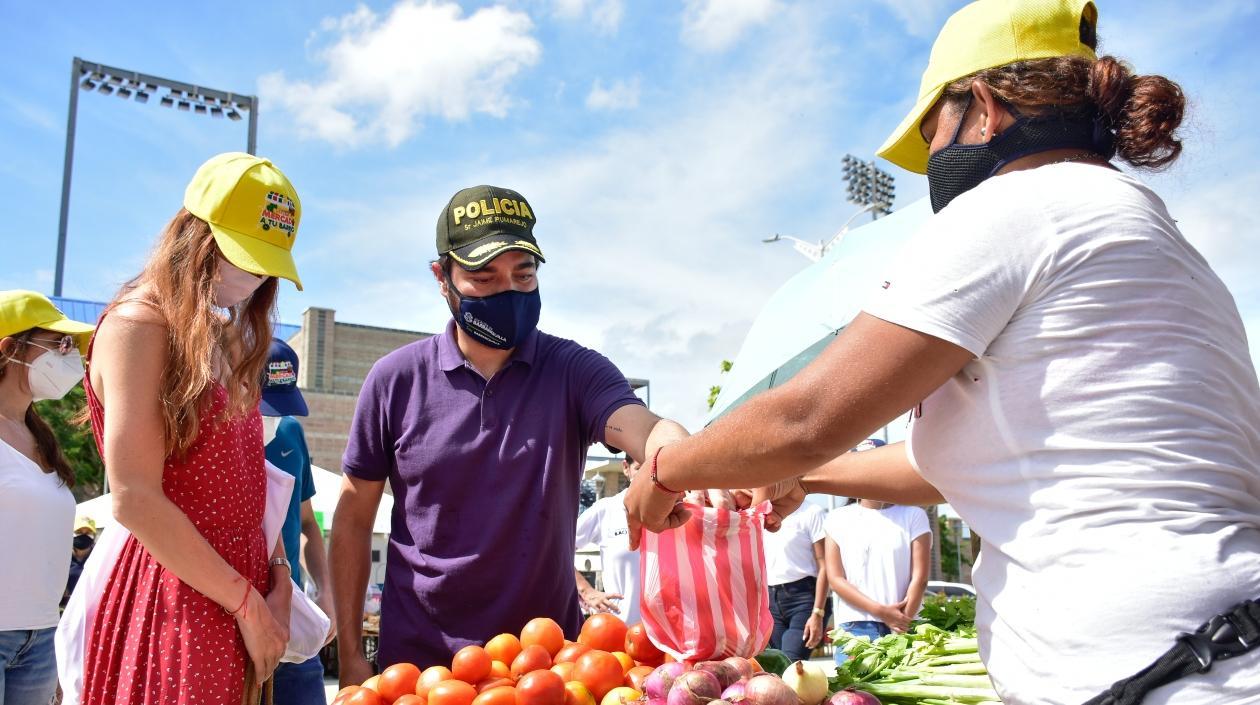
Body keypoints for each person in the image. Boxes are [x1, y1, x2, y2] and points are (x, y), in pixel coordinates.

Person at [624, 1, 1260, 702]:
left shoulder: (1016, 206)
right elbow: (951, 465)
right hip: (1214, 649)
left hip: (1141, 667)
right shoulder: (1147, 231)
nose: (932, 162)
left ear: (982, 107)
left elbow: (806, 415)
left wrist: (664, 470)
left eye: (932, 133)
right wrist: (810, 478)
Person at [330, 184, 690, 682]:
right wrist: (351, 653)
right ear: (442, 278)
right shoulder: (395, 381)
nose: (510, 292)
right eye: (484, 276)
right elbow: (351, 520)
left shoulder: (573, 371)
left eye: (524, 274)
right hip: (419, 668)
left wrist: (668, 461)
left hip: (545, 669)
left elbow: (645, 428)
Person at [81, 152, 304, 704]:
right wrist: (249, 604)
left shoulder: (224, 333)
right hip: (179, 594)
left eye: (267, 262)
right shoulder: (140, 324)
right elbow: (134, 498)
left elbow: (252, 476)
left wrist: (276, 575)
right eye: (245, 255)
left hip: (237, 593)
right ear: (195, 235)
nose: (257, 275)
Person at [0, 290, 94, 705]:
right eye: (57, 343)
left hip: (40, 639)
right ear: (10, 348)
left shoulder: (42, 440)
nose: (69, 355)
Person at [260, 337, 334, 705]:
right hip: (230, 614)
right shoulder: (210, 436)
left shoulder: (290, 431)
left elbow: (307, 523)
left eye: (280, 405)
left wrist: (327, 592)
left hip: (292, 614)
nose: (270, 418)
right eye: (263, 406)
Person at [824, 496, 930, 662]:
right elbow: (836, 580)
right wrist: (882, 612)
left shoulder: (914, 515)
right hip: (857, 628)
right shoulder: (836, 518)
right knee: (854, 687)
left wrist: (900, 623)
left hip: (905, 625)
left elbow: (920, 578)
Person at [574, 457, 642, 623]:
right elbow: (557, 548)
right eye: (641, 467)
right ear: (626, 468)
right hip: (618, 635)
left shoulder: (677, 510)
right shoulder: (607, 509)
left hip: (670, 641)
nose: (648, 476)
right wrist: (586, 590)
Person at [762, 499, 828, 662]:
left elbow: (824, 566)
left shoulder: (812, 511)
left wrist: (818, 613)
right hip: (770, 600)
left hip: (803, 598)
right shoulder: (762, 512)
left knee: (790, 661)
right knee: (775, 664)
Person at [63, 516, 98, 609]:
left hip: (92, 610)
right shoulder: (62, 558)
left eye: (88, 532)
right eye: (79, 532)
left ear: (94, 536)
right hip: (66, 610)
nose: (83, 536)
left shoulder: (99, 558)